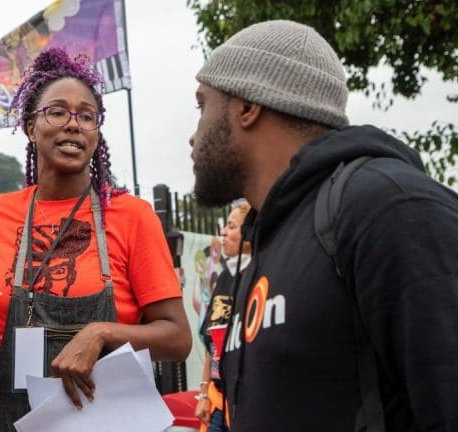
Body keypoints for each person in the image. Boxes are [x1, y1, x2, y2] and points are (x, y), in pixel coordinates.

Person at [190, 20, 458, 431]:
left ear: (247, 106)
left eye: (201, 105)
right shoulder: (268, 238)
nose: (193, 136)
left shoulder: (388, 207)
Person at [0, 47, 192, 430]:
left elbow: (177, 337)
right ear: (30, 127)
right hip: (16, 420)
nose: (74, 124)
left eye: (87, 116)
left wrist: (100, 333)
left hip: (112, 419)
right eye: (57, 111)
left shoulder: (132, 215)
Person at [194, 201, 251, 432]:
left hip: (246, 402)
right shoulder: (225, 277)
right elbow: (211, 344)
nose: (224, 232)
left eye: (231, 226)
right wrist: (203, 392)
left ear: (249, 234)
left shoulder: (259, 275)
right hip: (217, 401)